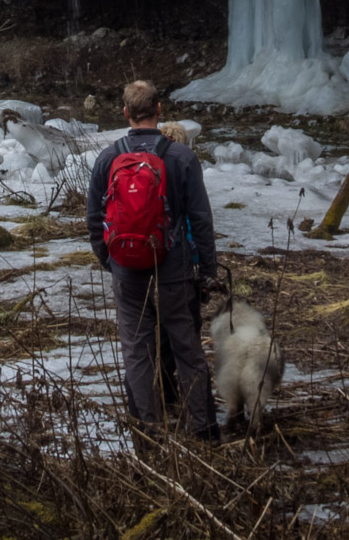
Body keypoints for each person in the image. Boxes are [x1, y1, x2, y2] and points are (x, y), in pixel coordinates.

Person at [87, 78, 218, 440]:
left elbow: (93, 219)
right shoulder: (181, 156)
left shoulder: (108, 157)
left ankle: (148, 432)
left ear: (126, 113)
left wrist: (109, 259)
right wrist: (206, 270)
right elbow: (201, 220)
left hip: (127, 270)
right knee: (187, 348)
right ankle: (204, 429)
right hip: (174, 268)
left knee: (137, 351)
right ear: (159, 110)